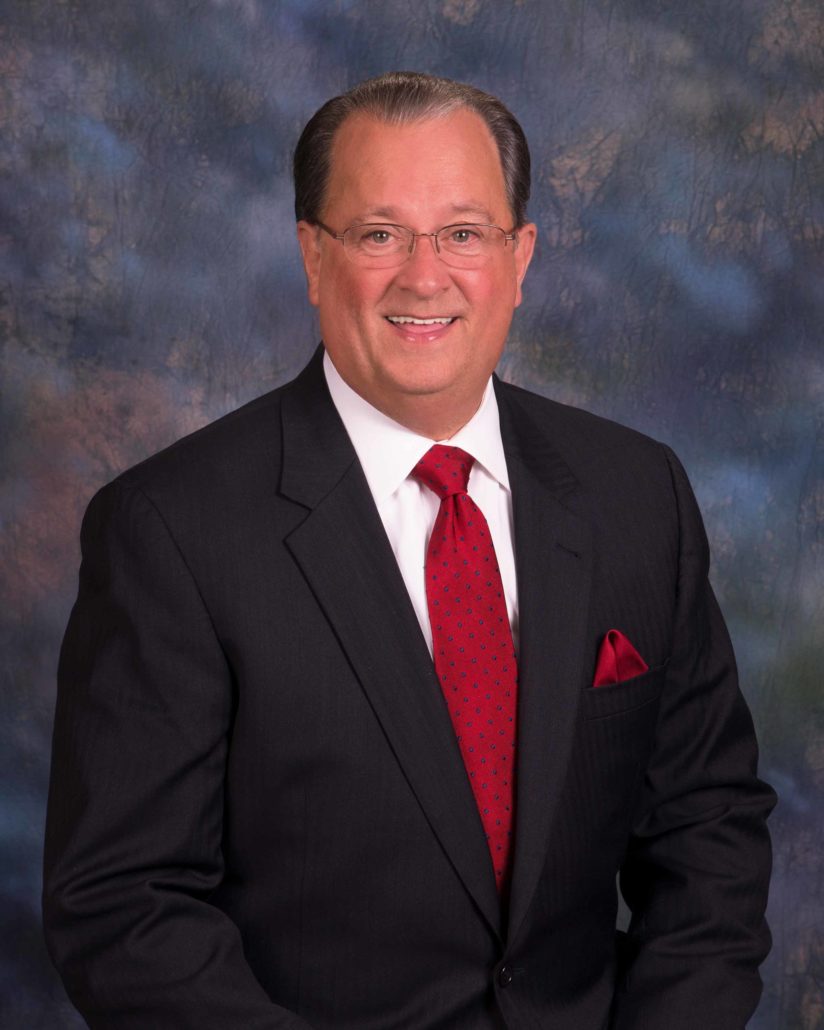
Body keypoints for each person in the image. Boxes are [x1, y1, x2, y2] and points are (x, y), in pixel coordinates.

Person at [43, 71, 775, 1030]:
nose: (424, 278)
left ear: (520, 258)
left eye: (463, 234)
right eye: (378, 235)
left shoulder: (637, 495)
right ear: (314, 257)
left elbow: (708, 831)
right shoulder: (171, 530)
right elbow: (124, 907)